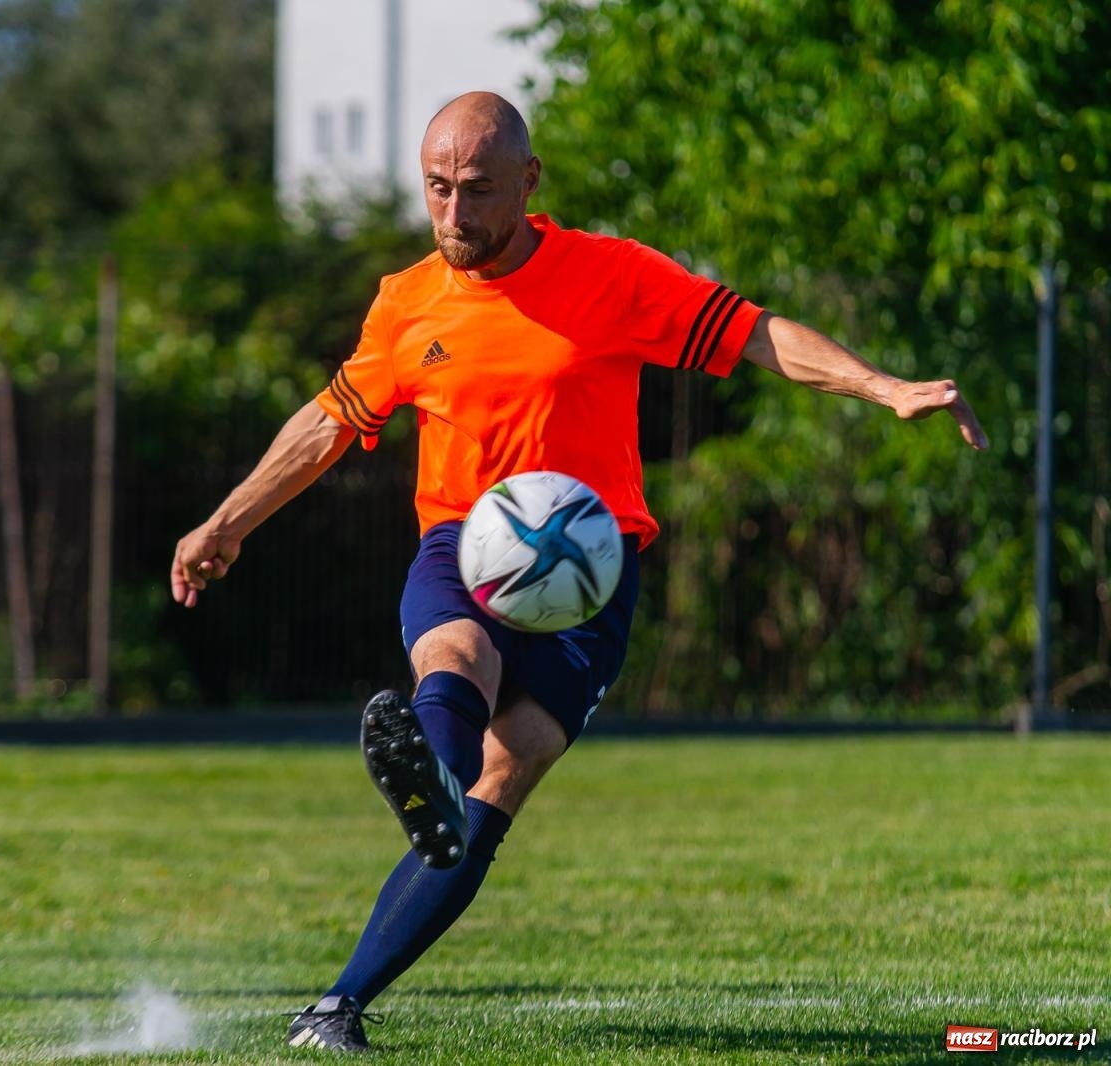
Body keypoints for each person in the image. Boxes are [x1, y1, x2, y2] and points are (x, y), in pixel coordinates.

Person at [169, 91, 988, 1052]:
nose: (455, 215)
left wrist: (881, 386)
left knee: (501, 779)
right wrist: (226, 521)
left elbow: (755, 333)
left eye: (476, 190)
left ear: (528, 182)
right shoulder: (407, 300)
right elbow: (325, 424)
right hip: (465, 543)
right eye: (436, 189)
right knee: (457, 656)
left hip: (592, 575)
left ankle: (338, 1001)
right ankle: (421, 779)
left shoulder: (610, 276)